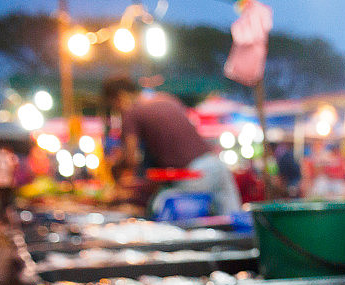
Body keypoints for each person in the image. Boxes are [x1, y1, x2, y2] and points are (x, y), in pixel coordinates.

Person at [102, 75, 241, 216]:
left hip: (192, 174)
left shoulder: (132, 113)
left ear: (120, 97)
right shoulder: (166, 99)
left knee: (165, 213)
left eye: (114, 105)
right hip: (216, 164)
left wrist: (114, 168)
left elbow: (130, 159)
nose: (117, 110)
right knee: (235, 223)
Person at [0, 145, 18, 222]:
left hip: (5, 183)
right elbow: (14, 167)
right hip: (5, 183)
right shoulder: (9, 157)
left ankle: (2, 217)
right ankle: (2, 217)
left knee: (4, 202)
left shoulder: (7, 156)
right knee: (4, 202)